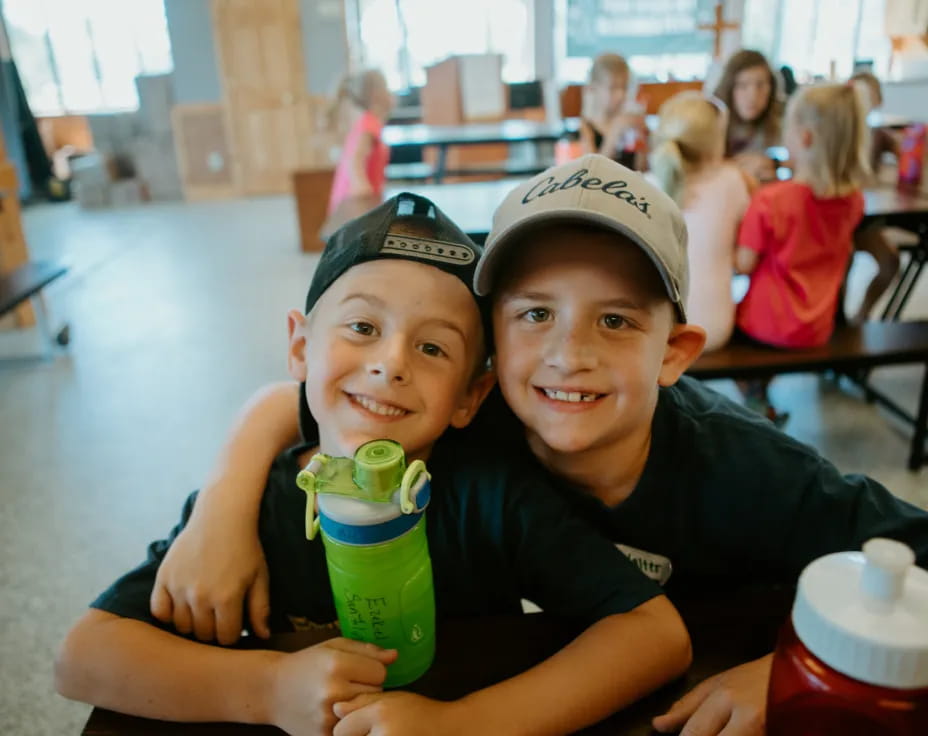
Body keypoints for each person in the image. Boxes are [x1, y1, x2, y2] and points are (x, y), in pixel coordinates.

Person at [148, 156, 928, 736]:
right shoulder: (483, 417)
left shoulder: (750, 467)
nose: (568, 355)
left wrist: (788, 675)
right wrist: (219, 508)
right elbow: (306, 406)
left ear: (675, 352)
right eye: (533, 315)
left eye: (616, 320)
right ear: (485, 361)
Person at [54, 193, 693, 735]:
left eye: (434, 347)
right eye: (362, 328)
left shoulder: (493, 498)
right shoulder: (255, 509)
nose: (391, 363)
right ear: (300, 347)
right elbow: (83, 656)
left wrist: (466, 724)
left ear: (472, 396)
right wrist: (270, 688)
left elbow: (653, 633)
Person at [734, 83, 869, 422]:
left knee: (720, 329)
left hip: (767, 324)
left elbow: (743, 265)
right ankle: (760, 396)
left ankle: (755, 399)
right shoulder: (855, 201)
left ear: (805, 138)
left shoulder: (770, 200)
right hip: (817, 327)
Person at [650, 91, 752, 352]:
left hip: (657, 332)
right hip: (713, 328)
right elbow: (744, 258)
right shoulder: (732, 181)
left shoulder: (647, 186)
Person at [848, 70, 903, 324]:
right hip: (839, 217)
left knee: (890, 261)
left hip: (865, 218)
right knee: (840, 259)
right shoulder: (838, 134)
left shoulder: (879, 134)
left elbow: (907, 153)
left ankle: (862, 314)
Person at [326, 69, 394, 221]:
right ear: (376, 94)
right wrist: (362, 189)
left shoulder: (368, 121)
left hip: (357, 201)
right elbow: (354, 160)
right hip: (353, 203)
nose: (391, 93)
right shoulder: (369, 125)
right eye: (387, 88)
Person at [713, 49, 784, 183]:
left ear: (772, 88)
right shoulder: (712, 123)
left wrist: (774, 164)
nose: (753, 96)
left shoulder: (781, 122)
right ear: (729, 88)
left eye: (761, 85)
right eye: (742, 86)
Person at [579, 53, 647, 169]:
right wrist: (614, 133)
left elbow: (642, 169)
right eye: (613, 88)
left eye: (624, 87)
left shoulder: (629, 122)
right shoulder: (586, 127)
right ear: (594, 88)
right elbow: (592, 172)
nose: (620, 95)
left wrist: (641, 136)